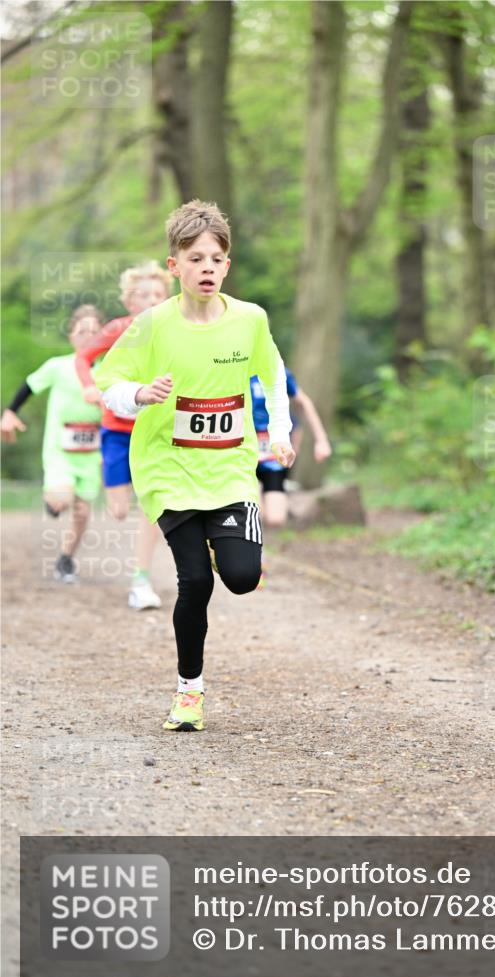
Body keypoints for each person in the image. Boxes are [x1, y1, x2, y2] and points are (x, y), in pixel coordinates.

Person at [93, 199, 294, 733]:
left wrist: (281, 431)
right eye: (195, 258)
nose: (206, 267)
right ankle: (189, 692)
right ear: (173, 266)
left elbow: (273, 376)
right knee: (195, 584)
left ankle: (233, 549)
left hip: (229, 469)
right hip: (168, 468)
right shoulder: (152, 324)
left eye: (216, 258)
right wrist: (139, 392)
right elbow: (108, 387)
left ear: (227, 265)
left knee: (243, 578)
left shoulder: (250, 319)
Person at [75, 262, 173, 610]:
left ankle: (141, 580)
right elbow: (84, 357)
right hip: (117, 431)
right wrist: (89, 387)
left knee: (152, 506)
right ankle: (112, 473)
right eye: (143, 295)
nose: (151, 301)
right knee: (118, 510)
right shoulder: (118, 329)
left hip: (154, 431)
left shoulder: (173, 329)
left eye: (158, 295)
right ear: (130, 301)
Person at [1, 305, 104, 583]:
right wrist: (10, 413)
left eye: (95, 332)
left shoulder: (108, 371)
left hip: (92, 454)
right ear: (71, 335)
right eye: (82, 331)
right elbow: (29, 386)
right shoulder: (58, 366)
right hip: (60, 451)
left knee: (82, 514)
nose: (88, 337)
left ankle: (66, 559)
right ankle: (56, 501)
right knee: (63, 497)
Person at [251, 368, 332, 529]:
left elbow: (304, 403)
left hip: (273, 453)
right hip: (245, 451)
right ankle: (253, 550)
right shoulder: (236, 368)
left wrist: (321, 440)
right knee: (254, 514)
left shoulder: (278, 370)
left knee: (275, 519)